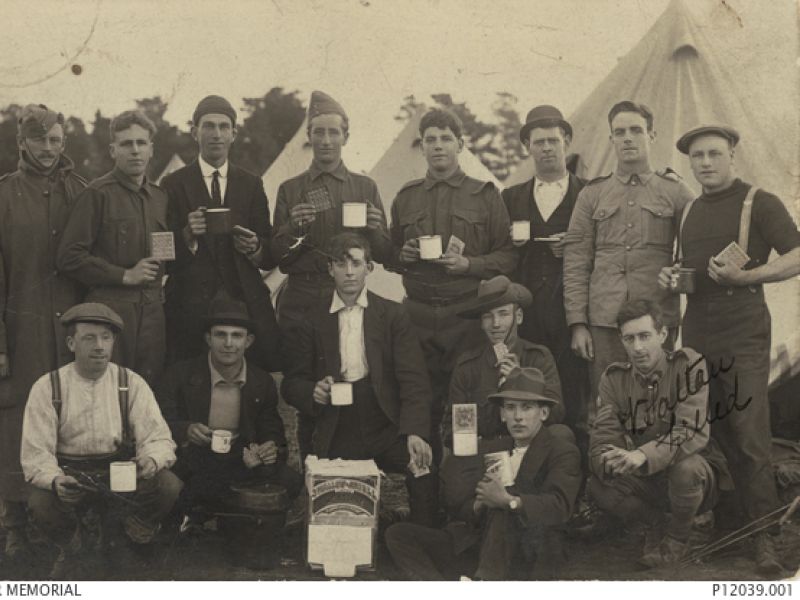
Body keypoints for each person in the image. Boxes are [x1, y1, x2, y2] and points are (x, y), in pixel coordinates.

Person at [658, 125, 800, 573]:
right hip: (697, 326)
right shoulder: (690, 209)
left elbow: (798, 254)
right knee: (710, 429)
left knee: (749, 431)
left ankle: (765, 537)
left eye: (714, 154)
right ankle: (726, 526)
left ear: (732, 155)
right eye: (697, 156)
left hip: (743, 326)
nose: (705, 163)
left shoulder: (759, 201)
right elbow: (688, 270)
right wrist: (671, 278)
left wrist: (749, 277)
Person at [281, 232, 437, 526]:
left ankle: (419, 540)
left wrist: (415, 432)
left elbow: (413, 379)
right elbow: (292, 383)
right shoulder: (312, 318)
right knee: (337, 504)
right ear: (330, 269)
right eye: (340, 264)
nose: (349, 272)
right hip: (336, 425)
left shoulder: (392, 314)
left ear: (370, 267)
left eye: (356, 263)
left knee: (423, 466)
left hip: (384, 422)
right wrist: (312, 391)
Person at [389, 107, 516, 460]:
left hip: (465, 318)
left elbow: (507, 257)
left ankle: (464, 489)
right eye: (431, 139)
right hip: (416, 318)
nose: (438, 146)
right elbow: (391, 253)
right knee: (419, 405)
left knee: (467, 407)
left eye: (446, 139)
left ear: (460, 144)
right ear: (422, 146)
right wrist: (406, 254)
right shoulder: (406, 196)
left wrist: (469, 264)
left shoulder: (485, 195)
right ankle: (426, 501)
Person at [271, 90, 391, 458]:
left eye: (333, 132)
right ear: (308, 136)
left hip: (349, 298)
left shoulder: (364, 186)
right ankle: (311, 464)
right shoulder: (290, 189)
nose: (325, 140)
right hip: (304, 300)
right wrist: (292, 227)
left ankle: (352, 464)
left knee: (352, 379)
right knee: (309, 389)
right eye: (318, 132)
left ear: (346, 137)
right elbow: (276, 257)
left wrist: (375, 229)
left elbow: (385, 254)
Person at [20, 303, 180, 578]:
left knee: (168, 485)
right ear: (71, 343)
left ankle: (124, 536)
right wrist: (56, 480)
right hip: (72, 476)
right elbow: (36, 454)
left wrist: (149, 460)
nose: (99, 346)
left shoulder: (130, 383)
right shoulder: (48, 386)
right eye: (89, 338)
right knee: (40, 501)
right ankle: (73, 545)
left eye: (106, 338)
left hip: (119, 474)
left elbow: (159, 439)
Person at [385, 367, 581, 580]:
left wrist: (510, 501)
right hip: (478, 542)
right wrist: (478, 505)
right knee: (398, 535)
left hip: (527, 548)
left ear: (543, 413)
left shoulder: (561, 450)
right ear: (502, 414)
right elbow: (464, 507)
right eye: (511, 408)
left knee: (502, 508)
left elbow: (559, 506)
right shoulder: (494, 448)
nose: (518, 417)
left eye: (527, 408)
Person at [563, 101, 695, 407]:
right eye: (619, 132)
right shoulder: (592, 194)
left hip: (656, 317)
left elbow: (696, 248)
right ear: (611, 139)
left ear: (651, 135)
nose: (627, 138)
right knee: (607, 403)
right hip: (605, 322)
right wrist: (578, 323)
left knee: (658, 403)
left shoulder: (675, 191)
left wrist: (677, 270)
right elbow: (576, 262)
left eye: (636, 130)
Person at [0, 104, 87, 564]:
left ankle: (61, 523)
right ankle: (13, 525)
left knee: (69, 419)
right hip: (23, 332)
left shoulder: (81, 191)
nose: (49, 149)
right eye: (39, 140)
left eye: (56, 140)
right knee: (16, 424)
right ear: (22, 143)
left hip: (72, 331)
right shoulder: (4, 195)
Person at [156, 296, 302, 569]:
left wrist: (268, 448)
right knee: (176, 484)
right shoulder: (180, 374)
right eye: (220, 335)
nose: (228, 343)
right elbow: (159, 420)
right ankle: (190, 525)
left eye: (237, 336)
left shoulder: (261, 381)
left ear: (248, 341)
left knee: (290, 480)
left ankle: (233, 522)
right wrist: (186, 429)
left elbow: (273, 430)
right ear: (207, 339)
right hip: (195, 457)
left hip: (239, 459)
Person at [587, 299, 731, 567]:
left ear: (663, 335)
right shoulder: (614, 379)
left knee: (686, 469)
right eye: (629, 339)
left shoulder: (688, 365)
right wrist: (607, 458)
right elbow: (604, 433)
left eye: (645, 336)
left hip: (694, 474)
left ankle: (679, 539)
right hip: (648, 477)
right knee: (598, 485)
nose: (638, 347)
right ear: (621, 341)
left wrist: (643, 454)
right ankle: (655, 523)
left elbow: (690, 430)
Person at [162, 95, 280, 373]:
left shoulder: (251, 184)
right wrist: (187, 234)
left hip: (242, 301)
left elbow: (268, 254)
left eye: (224, 127)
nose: (216, 134)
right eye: (209, 126)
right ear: (195, 132)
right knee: (188, 380)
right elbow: (161, 252)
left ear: (234, 134)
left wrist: (254, 246)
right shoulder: (173, 184)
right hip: (189, 305)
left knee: (251, 382)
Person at [57, 110, 168, 386]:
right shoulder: (97, 193)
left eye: (141, 143)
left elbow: (163, 253)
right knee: (111, 390)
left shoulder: (159, 197)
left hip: (154, 313)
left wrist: (188, 235)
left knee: (148, 392)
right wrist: (124, 275)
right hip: (112, 315)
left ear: (151, 149)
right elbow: (69, 257)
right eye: (126, 144)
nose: (135, 151)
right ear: (112, 150)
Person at [502, 105, 588, 438]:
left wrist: (576, 246)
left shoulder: (588, 193)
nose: (547, 148)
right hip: (527, 313)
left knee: (574, 393)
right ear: (528, 147)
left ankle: (574, 476)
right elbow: (501, 254)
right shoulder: (510, 197)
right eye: (539, 142)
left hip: (571, 312)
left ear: (566, 140)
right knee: (526, 392)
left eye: (554, 140)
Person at [444, 275, 564, 448]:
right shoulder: (468, 367)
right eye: (487, 316)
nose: (496, 324)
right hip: (485, 451)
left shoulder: (538, 357)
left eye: (503, 313)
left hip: (530, 451)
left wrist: (521, 382)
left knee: (561, 435)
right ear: (481, 323)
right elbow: (452, 429)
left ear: (519, 317)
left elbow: (557, 414)